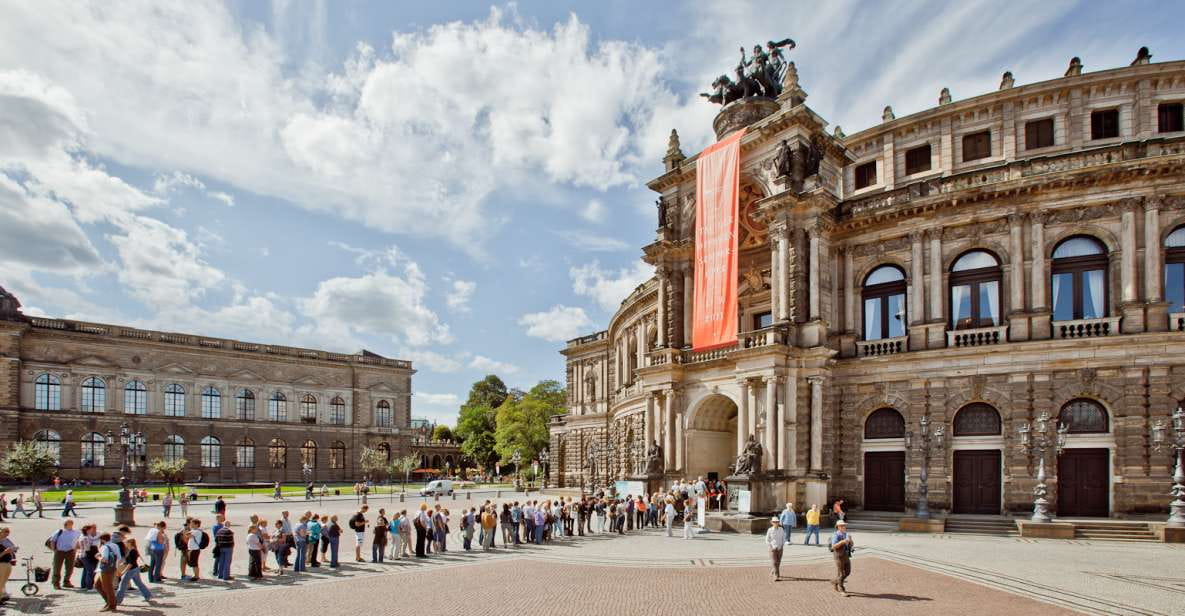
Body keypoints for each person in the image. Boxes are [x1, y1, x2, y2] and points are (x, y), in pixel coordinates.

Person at [115, 537, 152, 605]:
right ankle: (148, 595)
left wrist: (123, 572)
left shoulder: (132, 551)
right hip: (135, 569)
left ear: (130, 543)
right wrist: (123, 563)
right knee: (139, 583)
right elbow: (130, 561)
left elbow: (131, 564)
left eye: (126, 542)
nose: (125, 543)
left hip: (131, 570)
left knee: (122, 584)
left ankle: (117, 600)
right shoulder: (131, 550)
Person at [48, 518, 81, 589]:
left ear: (72, 524)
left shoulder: (76, 532)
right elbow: (52, 541)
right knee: (57, 568)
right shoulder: (59, 531)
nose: (65, 525)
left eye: (67, 524)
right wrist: (54, 550)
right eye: (65, 524)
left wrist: (77, 549)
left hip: (71, 551)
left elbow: (79, 540)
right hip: (60, 551)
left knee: (70, 568)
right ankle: (56, 583)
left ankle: (66, 581)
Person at [95, 532, 121, 612]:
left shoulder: (104, 547)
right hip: (112, 568)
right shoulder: (115, 545)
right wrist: (116, 567)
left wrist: (98, 557)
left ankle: (111, 605)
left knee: (107, 588)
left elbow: (105, 560)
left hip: (105, 569)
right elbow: (119, 557)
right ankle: (109, 601)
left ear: (102, 539)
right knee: (97, 585)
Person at [829, 520, 854, 595]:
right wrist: (842, 542)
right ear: (838, 527)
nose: (844, 527)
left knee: (848, 572)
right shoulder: (835, 535)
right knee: (841, 574)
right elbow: (833, 547)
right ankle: (842, 589)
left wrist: (851, 540)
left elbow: (851, 544)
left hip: (846, 555)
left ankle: (834, 581)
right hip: (838, 556)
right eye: (842, 526)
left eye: (844, 525)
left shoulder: (846, 534)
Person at [0, 527, 18, 603]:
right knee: (0, 581)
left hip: (8, 563)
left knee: (3, 581)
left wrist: (13, 549)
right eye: (5, 531)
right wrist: (5, 552)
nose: (7, 533)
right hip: (1, 564)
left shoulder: (6, 540)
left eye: (8, 531)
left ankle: (2, 595)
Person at [766, 516, 786, 581]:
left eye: (777, 522)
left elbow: (783, 538)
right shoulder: (770, 530)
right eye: (774, 522)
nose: (776, 523)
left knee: (778, 561)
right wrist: (770, 546)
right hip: (772, 548)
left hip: (780, 547)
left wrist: (782, 546)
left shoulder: (781, 529)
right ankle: (776, 576)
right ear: (772, 523)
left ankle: (774, 569)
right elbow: (767, 540)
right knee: (774, 562)